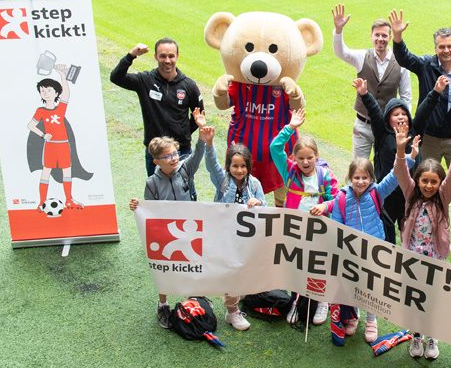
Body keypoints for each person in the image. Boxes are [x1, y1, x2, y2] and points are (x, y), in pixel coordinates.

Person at [388, 9, 451, 248]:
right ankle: (420, 220)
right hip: (428, 138)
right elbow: (404, 58)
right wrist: (397, 37)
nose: (446, 51)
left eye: (449, 46)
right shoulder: (427, 65)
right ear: (436, 47)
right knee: (424, 181)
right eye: (441, 47)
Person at [311, 147, 417, 343]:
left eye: (365, 178)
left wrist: (408, 158)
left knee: (371, 287)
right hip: (351, 252)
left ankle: (371, 319)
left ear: (371, 179)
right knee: (352, 285)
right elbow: (336, 225)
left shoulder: (377, 192)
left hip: (373, 251)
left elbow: (394, 175)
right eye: (357, 177)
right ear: (350, 178)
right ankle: (354, 315)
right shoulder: (342, 198)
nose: (361, 182)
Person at [128, 110, 208, 328]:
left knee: (193, 263)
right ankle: (163, 304)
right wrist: (138, 207)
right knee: (165, 269)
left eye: (175, 154)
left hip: (190, 229)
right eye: (167, 156)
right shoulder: (152, 183)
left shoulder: (185, 170)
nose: (173, 158)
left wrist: (202, 131)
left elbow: (198, 153)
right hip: (167, 233)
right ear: (155, 160)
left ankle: (194, 297)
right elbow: (150, 210)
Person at [393, 122, 451, 360]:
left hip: (435, 260)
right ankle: (417, 336)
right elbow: (401, 173)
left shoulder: (443, 197)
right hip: (412, 258)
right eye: (425, 181)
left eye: (434, 182)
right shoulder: (411, 194)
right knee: (414, 298)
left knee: (432, 300)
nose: (429, 186)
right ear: (418, 181)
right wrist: (401, 151)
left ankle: (432, 337)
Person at [355, 75, 446, 243]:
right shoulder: (382, 134)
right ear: (388, 119)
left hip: (410, 191)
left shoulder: (415, 132)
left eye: (404, 113)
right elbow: (375, 113)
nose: (401, 116)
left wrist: (436, 91)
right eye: (396, 114)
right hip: (387, 191)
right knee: (386, 228)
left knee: (409, 228)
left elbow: (424, 112)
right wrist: (365, 94)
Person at [270, 108, 338, 325]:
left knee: (317, 265)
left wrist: (325, 207)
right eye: (301, 158)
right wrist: (290, 127)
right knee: (295, 264)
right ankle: (296, 301)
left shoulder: (325, 175)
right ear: (294, 158)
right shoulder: (289, 171)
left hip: (319, 229)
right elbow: (275, 148)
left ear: (316, 157)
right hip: (294, 227)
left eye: (310, 157)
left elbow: (336, 199)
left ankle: (321, 302)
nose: (306, 162)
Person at [110, 38, 205, 182]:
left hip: (181, 151)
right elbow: (116, 77)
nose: (167, 60)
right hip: (155, 152)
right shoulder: (145, 80)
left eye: (171, 56)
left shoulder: (189, 85)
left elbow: (199, 114)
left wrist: (182, 132)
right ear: (155, 56)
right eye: (163, 56)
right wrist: (131, 55)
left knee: (185, 193)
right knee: (156, 195)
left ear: (177, 56)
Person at [201, 128, 267, 331]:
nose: (239, 170)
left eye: (243, 166)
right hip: (225, 238)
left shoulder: (254, 184)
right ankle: (232, 312)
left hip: (246, 240)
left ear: (248, 167)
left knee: (242, 273)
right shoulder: (222, 181)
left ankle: (235, 299)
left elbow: (265, 207)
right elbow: (212, 166)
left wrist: (258, 204)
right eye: (234, 165)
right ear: (228, 165)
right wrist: (209, 143)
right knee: (232, 274)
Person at [331, 4, 411, 158]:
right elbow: (341, 52)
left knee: (385, 170)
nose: (380, 39)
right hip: (363, 125)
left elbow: (406, 96)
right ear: (371, 36)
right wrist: (339, 30)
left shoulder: (401, 63)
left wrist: (404, 124)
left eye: (384, 35)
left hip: (388, 127)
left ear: (390, 37)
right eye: (377, 35)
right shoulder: (362, 57)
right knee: (359, 168)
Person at [27, 65, 82, 209]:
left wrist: (63, 76)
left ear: (56, 92)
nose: (45, 93)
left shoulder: (60, 108)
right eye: (42, 91)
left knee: (67, 171)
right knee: (46, 171)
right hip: (50, 146)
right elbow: (30, 125)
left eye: (49, 90)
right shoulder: (40, 111)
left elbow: (66, 95)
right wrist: (43, 135)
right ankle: (41, 202)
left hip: (63, 145)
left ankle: (69, 199)